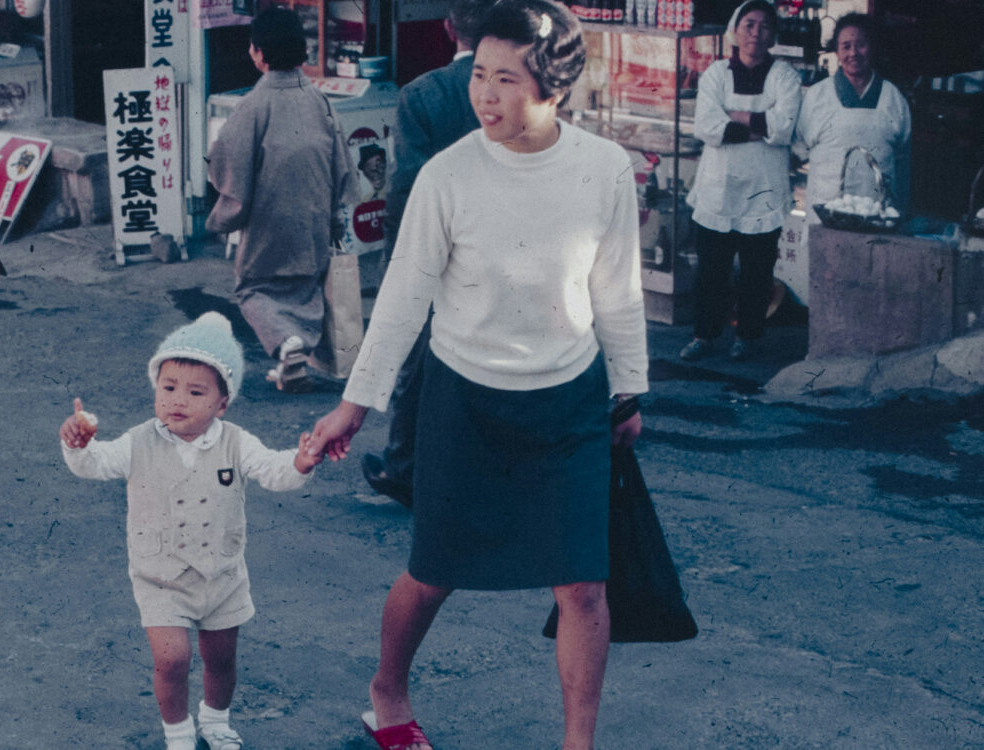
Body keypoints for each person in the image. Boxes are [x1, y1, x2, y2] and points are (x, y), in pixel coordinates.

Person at [305, 2, 648, 749]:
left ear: (553, 87)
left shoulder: (603, 169)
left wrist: (630, 389)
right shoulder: (447, 178)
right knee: (433, 572)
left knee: (584, 585)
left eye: (505, 80)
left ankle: (578, 744)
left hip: (570, 402)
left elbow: (616, 288)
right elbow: (401, 299)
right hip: (465, 399)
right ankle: (387, 689)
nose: (484, 96)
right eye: (479, 76)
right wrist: (353, 407)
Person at [59, 312, 322, 750]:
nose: (178, 399)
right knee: (172, 658)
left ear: (222, 403)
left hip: (222, 576)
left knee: (220, 660)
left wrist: (300, 462)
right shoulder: (138, 441)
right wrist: (77, 445)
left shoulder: (236, 442)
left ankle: (216, 720)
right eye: (168, 388)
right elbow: (96, 463)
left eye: (196, 391)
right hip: (159, 575)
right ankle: (178, 733)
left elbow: (273, 470)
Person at [362, 0, 491, 508]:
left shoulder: (424, 93)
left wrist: (399, 260)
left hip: (438, 245)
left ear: (447, 29)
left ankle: (405, 466)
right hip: (505, 244)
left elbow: (409, 185)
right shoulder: (523, 91)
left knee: (420, 354)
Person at [206, 6, 356, 394]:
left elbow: (227, 164)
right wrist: (335, 216)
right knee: (305, 288)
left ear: (257, 53)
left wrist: (222, 217)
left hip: (269, 221)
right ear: (303, 52)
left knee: (253, 288)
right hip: (313, 219)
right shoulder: (319, 101)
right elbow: (341, 163)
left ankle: (287, 344)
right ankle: (295, 361)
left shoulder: (252, 107)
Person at [678, 0, 801, 363]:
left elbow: (783, 129)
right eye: (749, 24)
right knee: (711, 272)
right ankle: (704, 335)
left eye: (764, 26)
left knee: (757, 272)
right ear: (736, 29)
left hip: (764, 188)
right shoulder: (716, 74)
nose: (756, 33)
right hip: (719, 188)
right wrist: (758, 125)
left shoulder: (785, 77)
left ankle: (748, 336)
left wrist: (735, 117)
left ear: (773, 35)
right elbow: (708, 127)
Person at [797, 13, 911, 213]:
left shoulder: (893, 97)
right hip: (825, 209)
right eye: (846, 46)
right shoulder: (817, 95)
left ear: (872, 47)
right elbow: (799, 148)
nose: (853, 53)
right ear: (836, 51)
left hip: (878, 211)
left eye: (861, 44)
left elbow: (903, 157)